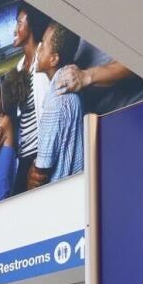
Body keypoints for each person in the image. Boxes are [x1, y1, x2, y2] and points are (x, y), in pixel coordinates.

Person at [28, 21, 86, 190]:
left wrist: (30, 178)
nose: (38, 50)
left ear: (54, 59)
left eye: (43, 45)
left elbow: (40, 173)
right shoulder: (71, 90)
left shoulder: (56, 100)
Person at [10, 1, 52, 193]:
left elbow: (48, 115)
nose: (15, 29)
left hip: (39, 156)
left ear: (31, 25)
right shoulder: (19, 66)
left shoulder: (43, 59)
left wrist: (41, 160)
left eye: (19, 23)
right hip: (24, 157)